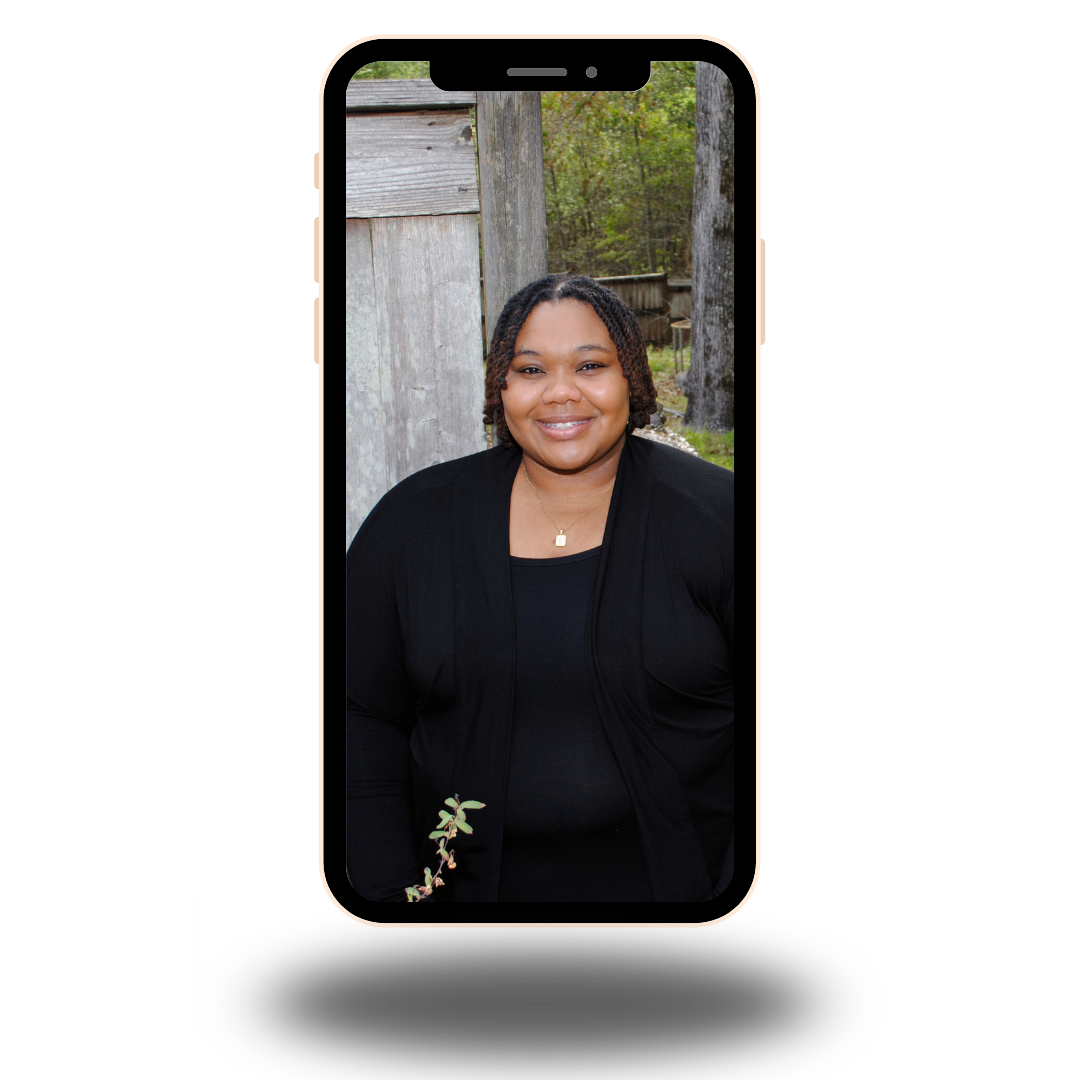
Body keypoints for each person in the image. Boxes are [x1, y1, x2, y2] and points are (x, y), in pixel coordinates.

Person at [346, 274, 734, 903]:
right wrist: (387, 899)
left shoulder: (722, 520)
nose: (560, 392)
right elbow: (359, 716)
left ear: (632, 378)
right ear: (500, 386)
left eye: (590, 365)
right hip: (461, 924)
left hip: (689, 915)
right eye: (530, 370)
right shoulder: (410, 526)